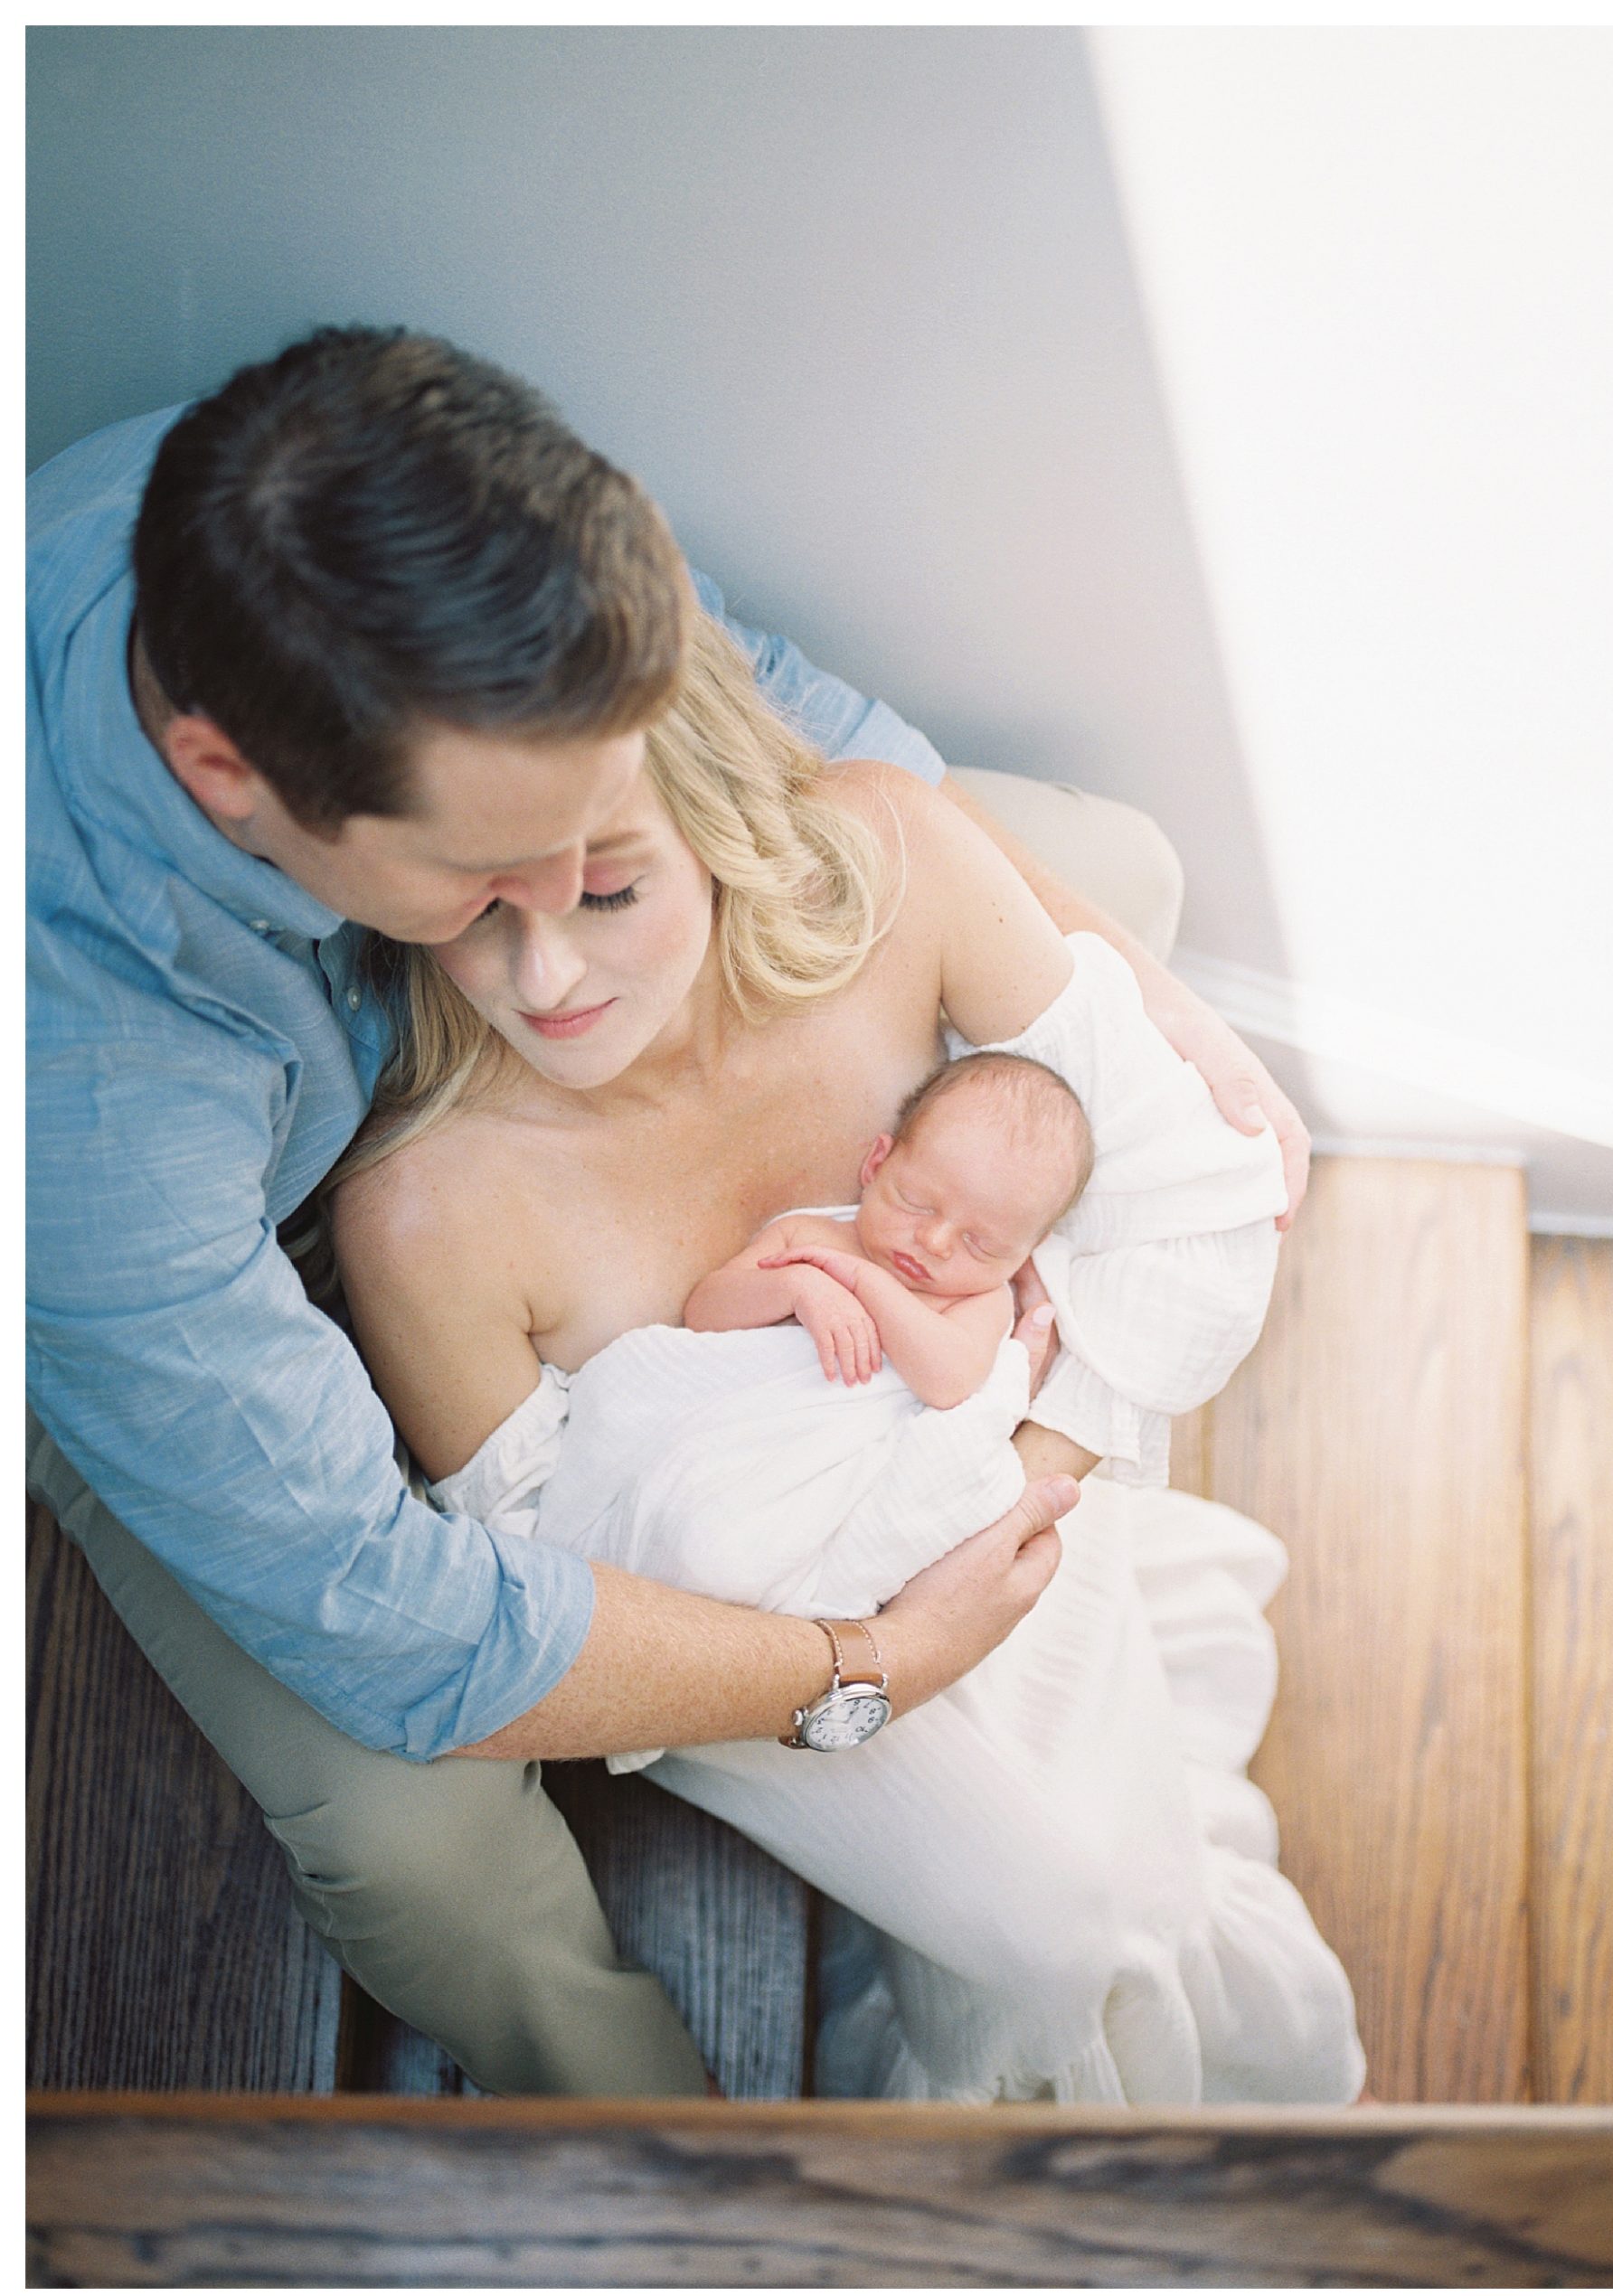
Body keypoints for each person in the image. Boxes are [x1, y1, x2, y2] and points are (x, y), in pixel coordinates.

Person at [28, 323, 1316, 2097]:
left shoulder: (379, 512)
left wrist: (1133, 1012)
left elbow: (775, 711)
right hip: (156, 1306)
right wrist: (858, 1663)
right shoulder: (85, 1099)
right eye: (489, 882)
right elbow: (394, 1617)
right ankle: (664, 2165)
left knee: (1113, 888)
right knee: (430, 1854)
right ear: (227, 777)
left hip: (537, 1177)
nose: (547, 950)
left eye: (604, 850)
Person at [328, 606, 1363, 2103]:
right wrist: (876, 1657)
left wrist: (1013, 1478)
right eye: (474, 909)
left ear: (712, 821)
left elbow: (1188, 1190)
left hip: (1006, 1503)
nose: (543, 976)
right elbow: (559, 1611)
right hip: (756, 1647)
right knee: (1062, 1920)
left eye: (609, 891)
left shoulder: (888, 862)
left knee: (1116, 1884)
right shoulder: (428, 1212)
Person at [686, 1051, 1095, 1404]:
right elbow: (703, 1313)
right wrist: (796, 1288)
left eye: (981, 1245)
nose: (934, 1243)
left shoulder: (977, 1301)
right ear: (877, 1163)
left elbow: (949, 1384)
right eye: (916, 1204)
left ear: (1028, 1250)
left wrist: (864, 1282)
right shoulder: (804, 1237)